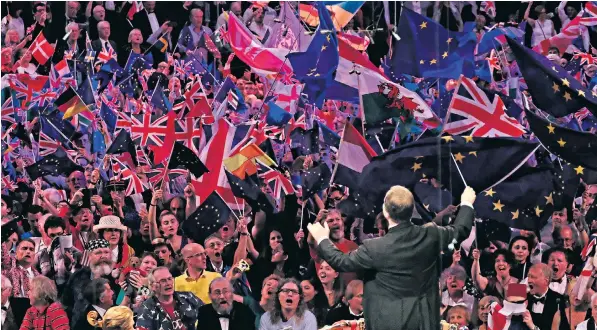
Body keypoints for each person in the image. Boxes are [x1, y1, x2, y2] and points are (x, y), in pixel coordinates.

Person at [308, 185, 477, 330]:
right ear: (412, 211)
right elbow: (460, 230)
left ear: (386, 212)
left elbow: (341, 262)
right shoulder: (431, 234)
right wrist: (467, 203)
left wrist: (322, 238)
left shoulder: (374, 247)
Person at [136, 267, 203, 330]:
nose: (168, 283)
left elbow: (208, 314)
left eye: (169, 279)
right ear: (153, 286)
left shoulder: (188, 297)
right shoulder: (146, 308)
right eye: (163, 281)